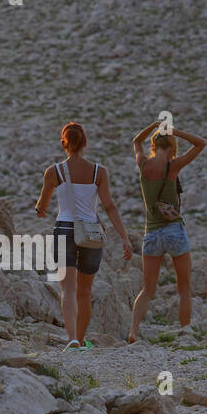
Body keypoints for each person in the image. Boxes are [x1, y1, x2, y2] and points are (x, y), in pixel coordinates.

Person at [35, 122, 133, 352]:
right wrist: (124, 238)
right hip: (91, 233)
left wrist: (39, 208)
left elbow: (42, 206)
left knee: (67, 289)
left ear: (63, 143)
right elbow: (109, 206)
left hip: (64, 230)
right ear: (85, 143)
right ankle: (80, 339)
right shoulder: (100, 172)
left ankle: (70, 339)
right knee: (85, 291)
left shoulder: (53, 172)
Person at [128, 121, 207, 343]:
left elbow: (135, 141)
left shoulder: (143, 164)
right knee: (183, 287)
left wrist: (153, 125)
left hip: (151, 234)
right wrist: (174, 131)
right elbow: (201, 143)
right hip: (174, 232)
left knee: (148, 289)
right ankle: (184, 331)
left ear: (153, 145)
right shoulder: (173, 167)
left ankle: (133, 330)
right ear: (171, 148)